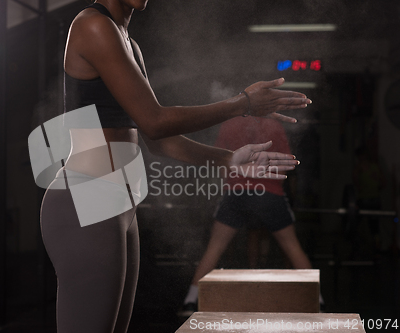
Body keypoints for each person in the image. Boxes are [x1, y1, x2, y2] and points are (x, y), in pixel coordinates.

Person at [39, 1, 311, 332]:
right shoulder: (93, 26)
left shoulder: (128, 42)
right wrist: (244, 104)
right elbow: (155, 122)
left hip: (117, 203)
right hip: (85, 197)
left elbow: (158, 139)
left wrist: (230, 159)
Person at [180, 116, 317, 315]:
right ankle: (318, 301)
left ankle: (190, 302)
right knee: (291, 246)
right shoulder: (275, 126)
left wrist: (232, 182)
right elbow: (287, 163)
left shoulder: (229, 124)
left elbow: (220, 162)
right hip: (269, 193)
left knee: (215, 247)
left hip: (236, 191)